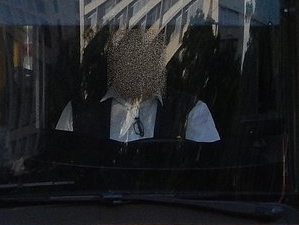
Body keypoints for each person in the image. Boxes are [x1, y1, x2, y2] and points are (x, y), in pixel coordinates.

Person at [56, 27, 219, 142]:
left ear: (158, 67)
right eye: (129, 59)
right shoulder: (76, 113)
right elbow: (61, 168)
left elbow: (205, 175)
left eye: (145, 60)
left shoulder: (191, 112)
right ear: (115, 65)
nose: (137, 68)